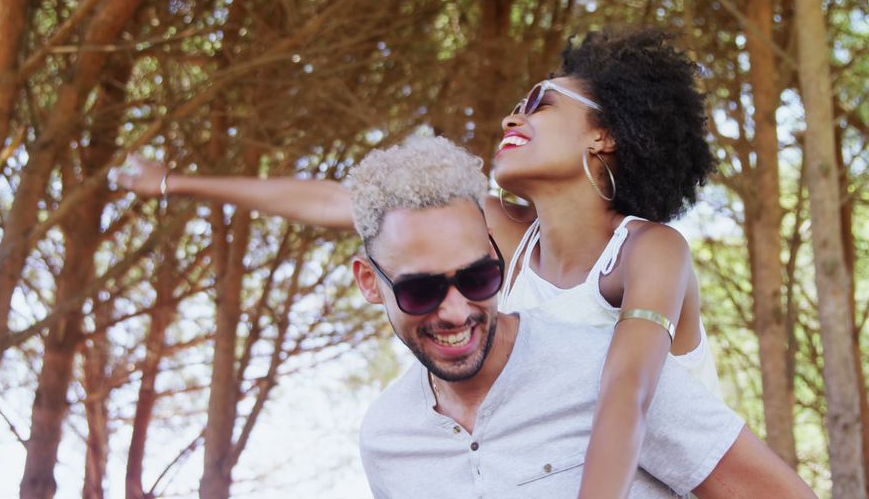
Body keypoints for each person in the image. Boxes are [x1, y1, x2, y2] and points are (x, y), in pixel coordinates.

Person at [117, 29, 721, 496]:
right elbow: (345, 202)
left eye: (539, 103)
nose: (513, 117)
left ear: (604, 135)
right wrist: (176, 182)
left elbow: (628, 392)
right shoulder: (498, 242)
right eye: (515, 105)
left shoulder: (649, 251)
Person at [347, 136, 812, 498]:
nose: (455, 311)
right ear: (369, 281)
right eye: (421, 290)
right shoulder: (386, 439)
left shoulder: (599, 368)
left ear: (495, 253)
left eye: (477, 278)